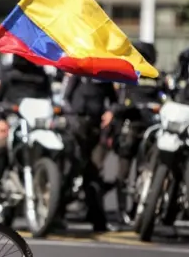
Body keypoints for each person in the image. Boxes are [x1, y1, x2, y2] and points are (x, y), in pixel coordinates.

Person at [108, 40, 165, 223]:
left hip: (150, 130)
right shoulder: (126, 75)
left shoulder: (158, 78)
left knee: (145, 171)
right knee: (123, 173)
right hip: (130, 128)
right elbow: (118, 103)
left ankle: (138, 208)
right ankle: (122, 210)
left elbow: (165, 99)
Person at [62, 64, 119, 232]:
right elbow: (64, 100)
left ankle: (98, 220)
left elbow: (114, 101)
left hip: (96, 129)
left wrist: (110, 113)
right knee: (70, 169)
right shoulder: (76, 75)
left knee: (93, 174)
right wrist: (72, 119)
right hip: (76, 129)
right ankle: (57, 215)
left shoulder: (105, 77)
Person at [0, 55, 52, 183]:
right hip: (11, 123)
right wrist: (0, 121)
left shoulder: (42, 76)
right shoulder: (6, 75)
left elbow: (49, 101)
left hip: (35, 125)